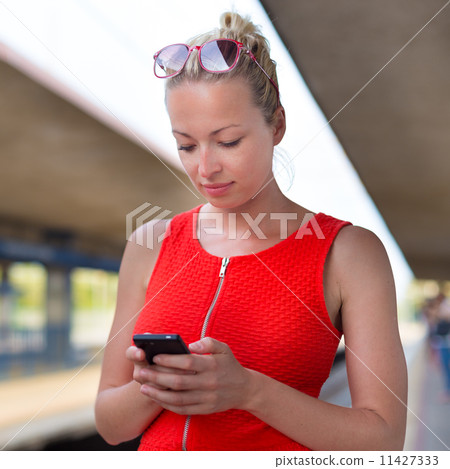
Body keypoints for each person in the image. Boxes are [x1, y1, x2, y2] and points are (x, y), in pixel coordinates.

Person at [95, 12, 407, 450]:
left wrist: (248, 391)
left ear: (276, 125)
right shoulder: (150, 243)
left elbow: (385, 439)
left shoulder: (349, 254)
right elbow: (110, 424)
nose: (205, 168)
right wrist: (156, 386)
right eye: (186, 144)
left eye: (228, 142)